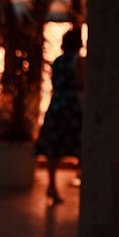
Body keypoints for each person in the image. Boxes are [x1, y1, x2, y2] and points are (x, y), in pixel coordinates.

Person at [34, 29, 84, 204]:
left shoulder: (57, 61)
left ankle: (52, 186)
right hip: (72, 106)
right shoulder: (78, 61)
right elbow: (81, 84)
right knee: (80, 147)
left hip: (56, 104)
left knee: (53, 149)